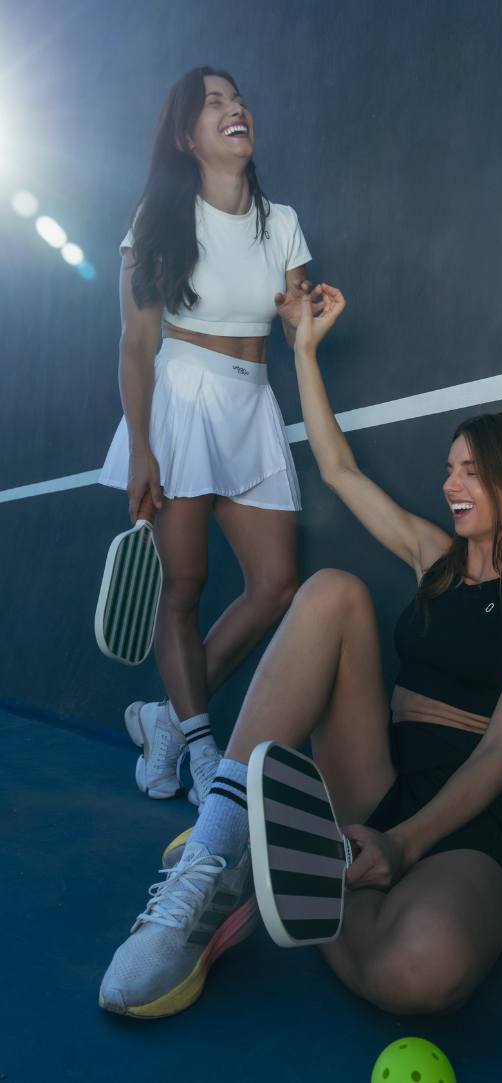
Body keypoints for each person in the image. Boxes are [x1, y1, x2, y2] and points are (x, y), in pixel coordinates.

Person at [98, 283, 502, 1017]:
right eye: (449, 467)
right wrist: (303, 349)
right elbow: (339, 470)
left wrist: (403, 844)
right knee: (332, 588)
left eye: (471, 471)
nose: (450, 484)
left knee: (418, 967)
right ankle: (218, 854)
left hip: (467, 811)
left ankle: (298, 877)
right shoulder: (437, 554)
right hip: (378, 770)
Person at [97, 67, 308, 802]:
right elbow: (135, 344)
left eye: (238, 98)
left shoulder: (281, 222)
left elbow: (295, 317)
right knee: (182, 587)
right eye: (214, 102)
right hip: (180, 401)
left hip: (253, 404)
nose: (235, 108)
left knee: (276, 585)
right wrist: (143, 448)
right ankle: (202, 745)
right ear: (187, 136)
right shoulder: (157, 216)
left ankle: (163, 716)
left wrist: (308, 316)